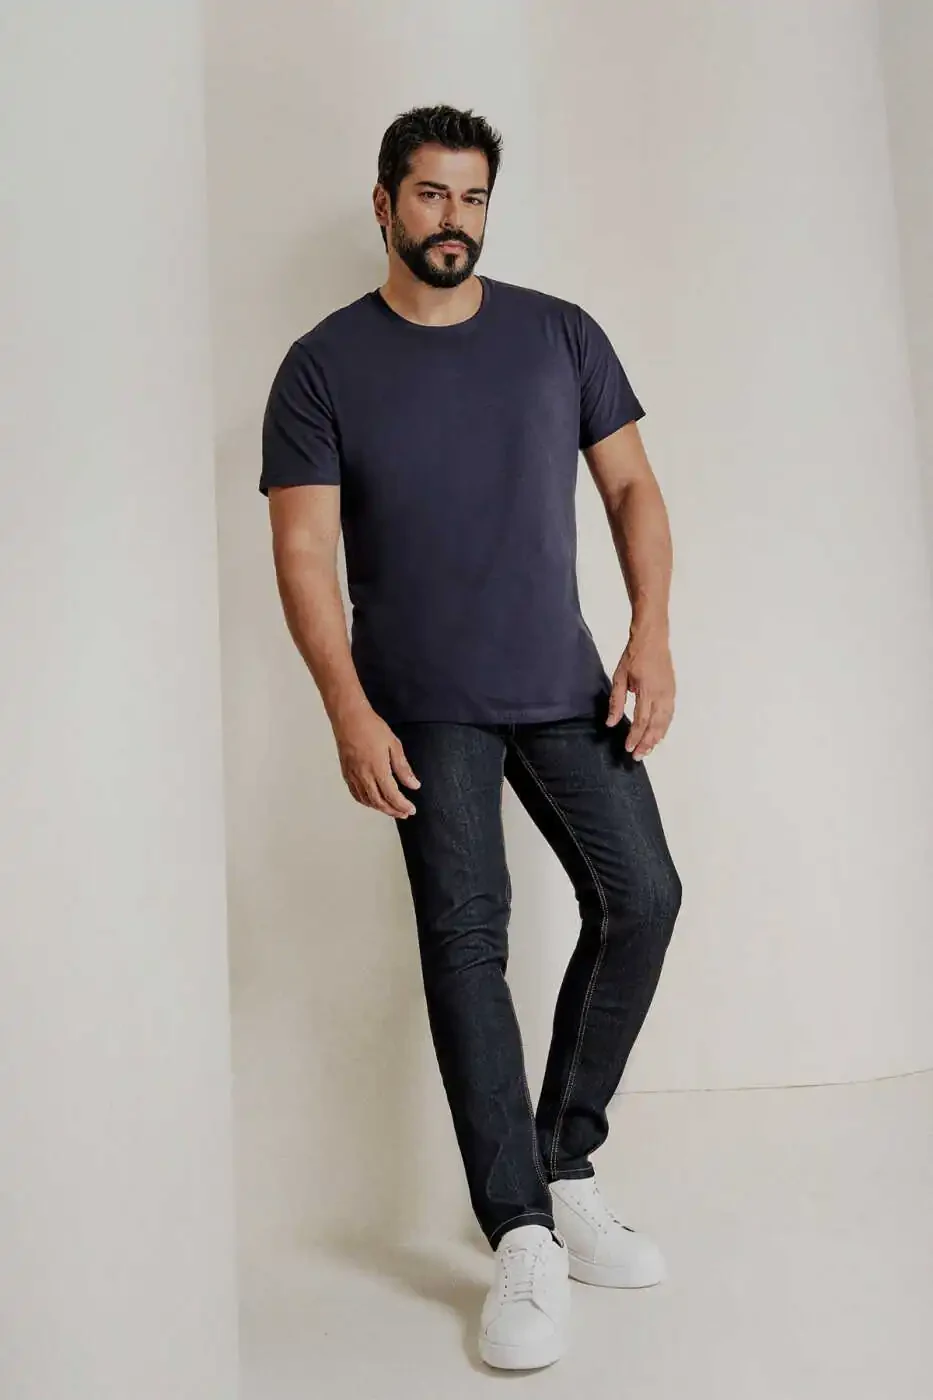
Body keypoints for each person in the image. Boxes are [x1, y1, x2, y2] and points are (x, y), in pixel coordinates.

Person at [259, 104, 682, 1372]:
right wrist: (346, 704)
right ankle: (519, 1232)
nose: (455, 220)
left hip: (561, 683)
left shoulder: (560, 334)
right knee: (468, 941)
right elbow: (302, 549)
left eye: (474, 197)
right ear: (385, 203)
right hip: (420, 699)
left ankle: (565, 1164)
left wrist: (652, 633)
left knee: (644, 895)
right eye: (432, 195)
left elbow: (631, 485)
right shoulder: (322, 364)